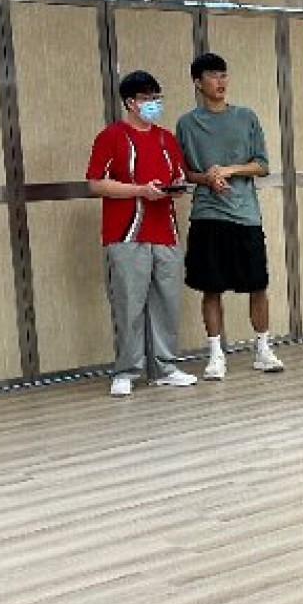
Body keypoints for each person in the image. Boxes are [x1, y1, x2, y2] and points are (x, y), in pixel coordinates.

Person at [86, 70, 198, 397]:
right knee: (129, 303)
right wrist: (139, 190)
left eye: (157, 98)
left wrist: (175, 188)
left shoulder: (166, 138)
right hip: (126, 233)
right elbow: (96, 183)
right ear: (130, 103)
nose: (154, 104)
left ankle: (165, 367)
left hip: (165, 230)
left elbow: (177, 176)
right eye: (148, 99)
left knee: (167, 303)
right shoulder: (111, 136)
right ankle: (126, 371)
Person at [177, 52, 284, 378]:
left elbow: (262, 165)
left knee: (257, 285)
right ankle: (215, 355)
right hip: (207, 215)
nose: (220, 81)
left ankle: (263, 349)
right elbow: (185, 173)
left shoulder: (246, 117)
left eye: (223, 75)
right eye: (212, 76)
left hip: (245, 215)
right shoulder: (186, 124)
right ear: (198, 83)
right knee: (211, 288)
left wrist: (230, 169)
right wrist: (207, 177)